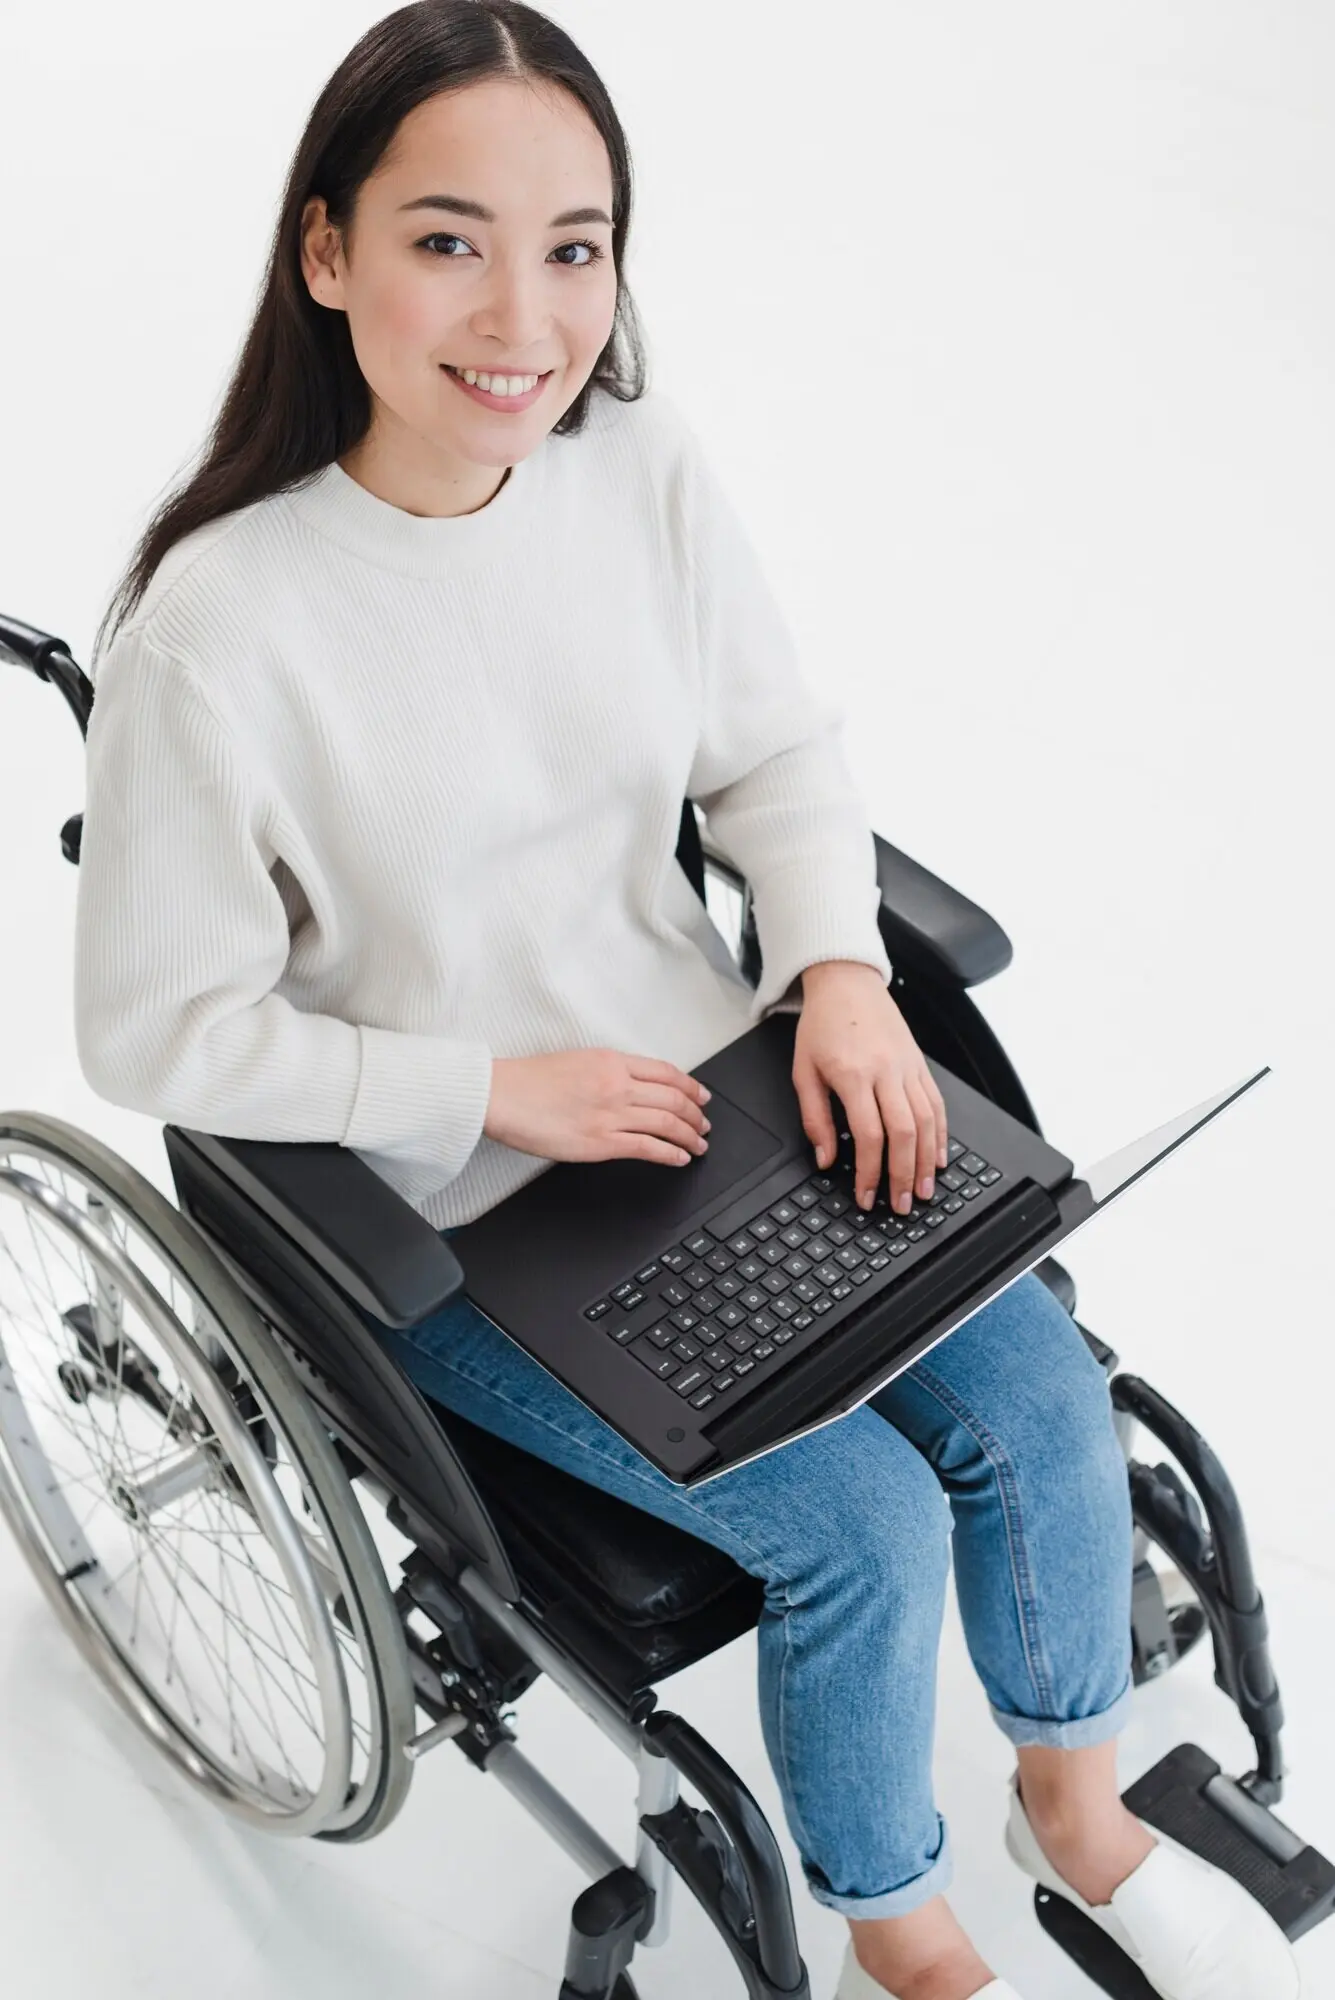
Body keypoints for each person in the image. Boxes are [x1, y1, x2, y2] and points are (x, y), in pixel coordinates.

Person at [73, 6, 1301, 1996]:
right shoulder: (219, 637)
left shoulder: (632, 468)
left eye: (576, 246)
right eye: (447, 238)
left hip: (733, 1104)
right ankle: (902, 1930)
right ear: (326, 255)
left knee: (1054, 1407)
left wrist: (834, 974)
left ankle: (1072, 1807)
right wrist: (490, 1085)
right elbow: (156, 1040)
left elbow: (780, 761)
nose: (525, 313)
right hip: (467, 1223)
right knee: (869, 1528)